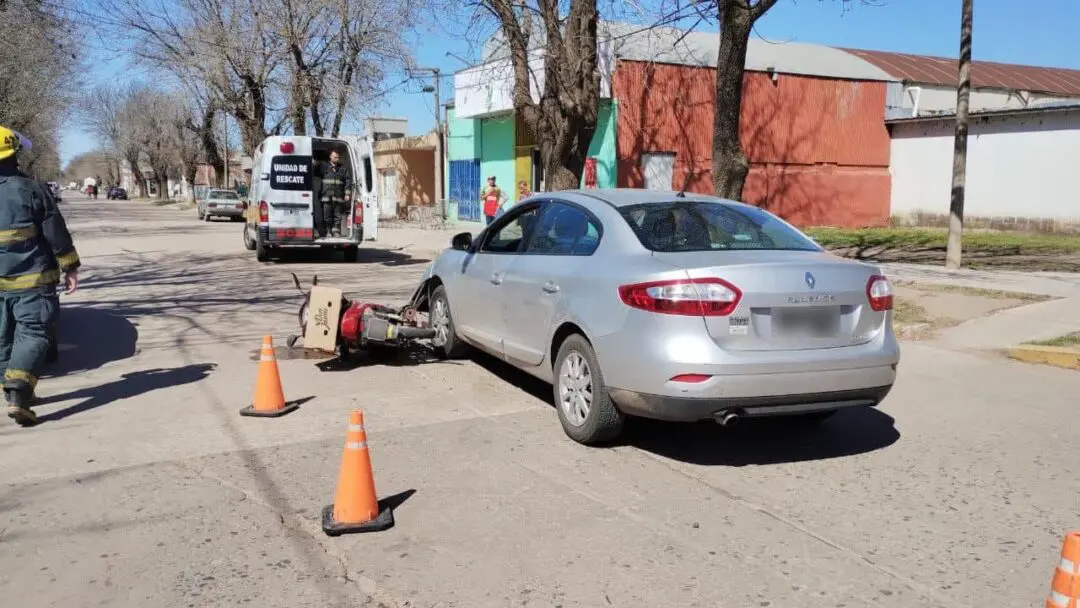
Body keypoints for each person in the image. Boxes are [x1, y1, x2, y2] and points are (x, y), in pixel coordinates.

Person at [0, 126, 80, 427]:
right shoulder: (32, 190)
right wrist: (70, 266)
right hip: (33, 281)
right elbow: (55, 233)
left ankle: (10, 388)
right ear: (15, 153)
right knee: (34, 333)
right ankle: (19, 392)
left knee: (3, 336)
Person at [313, 150, 352, 237]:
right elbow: (316, 175)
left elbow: (347, 181)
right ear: (330, 157)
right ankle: (328, 231)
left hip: (338, 197)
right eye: (335, 157)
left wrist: (347, 194)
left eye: (338, 157)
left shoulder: (343, 168)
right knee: (327, 216)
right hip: (326, 196)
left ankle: (336, 232)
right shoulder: (323, 166)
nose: (337, 159)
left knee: (337, 217)